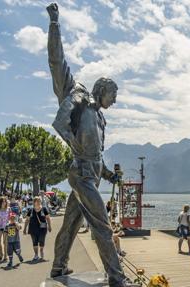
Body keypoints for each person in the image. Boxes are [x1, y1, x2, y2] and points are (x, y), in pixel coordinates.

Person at [46, 3, 133, 285]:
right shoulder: (79, 102)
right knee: (103, 227)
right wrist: (55, 24)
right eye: (114, 94)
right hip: (81, 175)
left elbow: (97, 155)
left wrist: (108, 174)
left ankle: (59, 267)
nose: (116, 100)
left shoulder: (100, 119)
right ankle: (117, 278)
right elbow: (57, 63)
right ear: (102, 90)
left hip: (90, 176)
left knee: (70, 225)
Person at [24, 196, 52, 261]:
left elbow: (48, 218)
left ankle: (41, 250)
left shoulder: (44, 209)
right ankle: (36, 254)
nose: (38, 202)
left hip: (42, 229)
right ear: (34, 202)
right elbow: (27, 220)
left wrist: (50, 226)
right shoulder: (31, 210)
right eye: (37, 201)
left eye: (39, 201)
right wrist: (25, 228)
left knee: (42, 241)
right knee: (35, 242)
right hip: (32, 229)